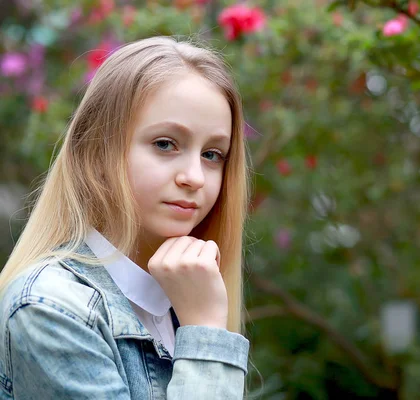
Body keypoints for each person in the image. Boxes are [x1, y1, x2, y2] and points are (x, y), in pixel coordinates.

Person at [0, 36, 250, 399]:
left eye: (213, 154)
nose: (194, 176)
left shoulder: (187, 296)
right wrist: (207, 337)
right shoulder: (50, 307)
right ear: (97, 152)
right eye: (165, 144)